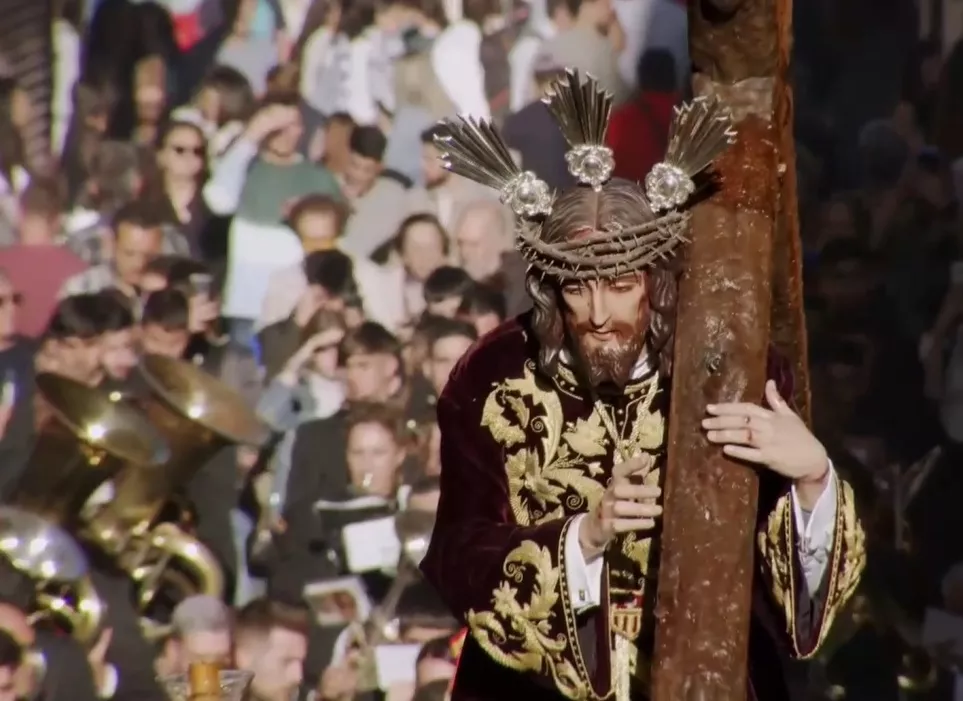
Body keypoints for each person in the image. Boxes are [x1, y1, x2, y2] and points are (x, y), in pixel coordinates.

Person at [419, 71, 865, 700]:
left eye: (621, 285)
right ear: (551, 289)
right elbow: (458, 555)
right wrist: (584, 538)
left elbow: (791, 603)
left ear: (656, 282)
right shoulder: (493, 377)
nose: (599, 314)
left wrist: (813, 477)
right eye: (578, 288)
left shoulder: (734, 370)